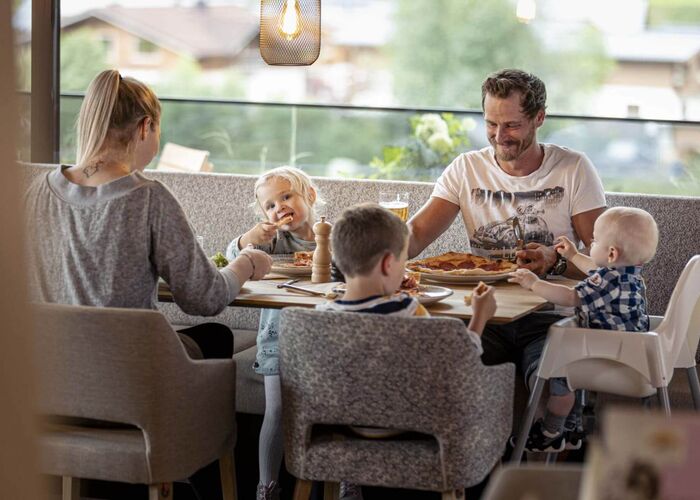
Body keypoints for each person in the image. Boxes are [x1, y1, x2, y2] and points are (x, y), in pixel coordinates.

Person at [24, 69, 272, 498]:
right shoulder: (149, 198)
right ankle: (189, 475)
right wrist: (247, 263)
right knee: (215, 336)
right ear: (145, 127)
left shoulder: (35, 192)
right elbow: (206, 297)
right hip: (128, 393)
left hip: (47, 391)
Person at [406, 68, 608, 448]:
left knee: (552, 392)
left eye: (512, 125)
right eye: (491, 124)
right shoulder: (466, 168)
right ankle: (474, 466)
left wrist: (555, 261)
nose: (500, 136)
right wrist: (363, 250)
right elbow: (415, 236)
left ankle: (553, 450)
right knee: (440, 373)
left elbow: (606, 262)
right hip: (485, 312)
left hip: (550, 317)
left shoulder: (573, 168)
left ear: (539, 117)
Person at [316, 203, 497, 500]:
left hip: (340, 430)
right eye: (404, 261)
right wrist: (480, 317)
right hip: (411, 431)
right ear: (389, 264)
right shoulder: (408, 312)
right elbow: (461, 362)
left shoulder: (320, 316)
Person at [509, 207, 658, 451]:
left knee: (560, 370)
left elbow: (570, 297)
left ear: (611, 253)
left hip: (609, 353)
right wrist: (573, 255)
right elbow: (594, 269)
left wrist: (534, 284)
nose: (591, 244)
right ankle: (573, 428)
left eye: (595, 241)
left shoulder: (607, 281)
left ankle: (553, 430)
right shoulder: (627, 274)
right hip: (630, 348)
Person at [225, 165, 321, 500]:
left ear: (310, 195)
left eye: (286, 196)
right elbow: (233, 258)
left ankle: (344, 482)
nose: (279, 207)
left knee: (335, 415)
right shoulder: (271, 242)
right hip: (277, 340)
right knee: (277, 412)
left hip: (326, 343)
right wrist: (250, 238)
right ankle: (266, 488)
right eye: (270, 205)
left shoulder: (332, 237)